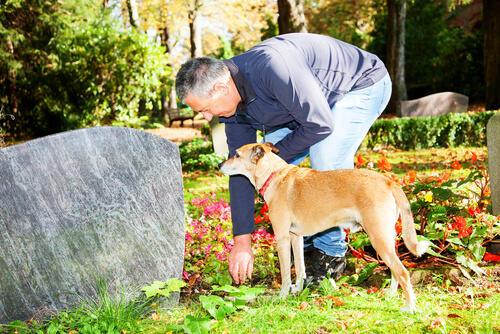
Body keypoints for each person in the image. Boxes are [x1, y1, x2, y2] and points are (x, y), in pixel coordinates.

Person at [175, 33, 392, 287]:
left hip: (360, 85)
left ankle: (329, 253)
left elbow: (319, 124)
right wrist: (241, 240)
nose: (206, 116)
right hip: (304, 108)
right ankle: (306, 233)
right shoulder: (231, 111)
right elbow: (242, 170)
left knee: (325, 156)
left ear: (221, 88)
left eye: (205, 109)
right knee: (271, 163)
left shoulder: (272, 67)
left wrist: (267, 163)